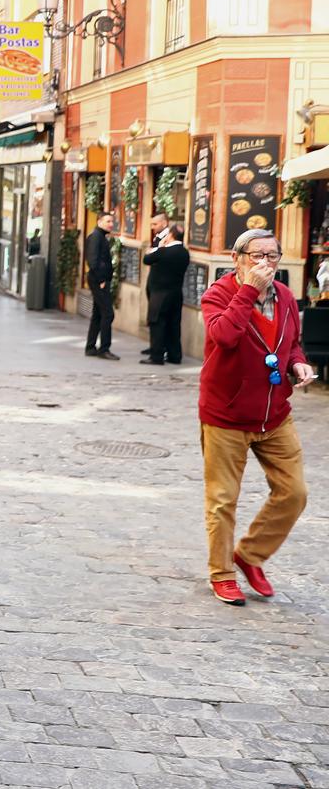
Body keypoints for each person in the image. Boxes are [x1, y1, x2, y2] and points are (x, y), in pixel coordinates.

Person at [199, 229, 314, 606]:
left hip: (275, 414)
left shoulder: (285, 297)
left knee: (294, 493)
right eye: (256, 255)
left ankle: (249, 556)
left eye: (272, 256)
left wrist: (297, 363)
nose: (265, 263)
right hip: (227, 414)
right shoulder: (217, 295)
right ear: (236, 259)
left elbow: (291, 344)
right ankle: (222, 574)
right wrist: (248, 290)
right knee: (223, 500)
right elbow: (224, 336)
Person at [141, 223, 190, 366]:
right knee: (174, 325)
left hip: (160, 294)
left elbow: (146, 259)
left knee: (157, 323)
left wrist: (160, 245)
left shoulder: (163, 251)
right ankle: (175, 356)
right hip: (176, 294)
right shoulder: (184, 253)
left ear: (170, 235)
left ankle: (156, 356)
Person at [84, 213, 119, 360]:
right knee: (108, 313)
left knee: (98, 314)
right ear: (99, 222)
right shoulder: (96, 237)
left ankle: (90, 347)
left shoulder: (100, 236)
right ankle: (104, 349)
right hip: (99, 280)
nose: (111, 224)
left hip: (100, 280)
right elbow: (93, 261)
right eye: (108, 221)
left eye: (112, 221)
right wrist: (101, 279)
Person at [140, 213, 171, 357]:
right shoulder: (157, 237)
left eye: (155, 224)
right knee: (153, 316)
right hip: (153, 280)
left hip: (162, 284)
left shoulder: (168, 238)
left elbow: (153, 257)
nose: (152, 227)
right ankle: (154, 346)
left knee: (158, 317)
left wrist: (152, 253)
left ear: (164, 223)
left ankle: (159, 348)